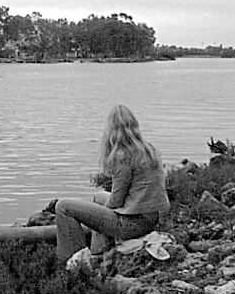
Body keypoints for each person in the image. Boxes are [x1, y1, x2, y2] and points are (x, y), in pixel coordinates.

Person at [55, 105, 170, 264]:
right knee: (99, 196)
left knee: (63, 207)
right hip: (150, 219)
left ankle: (73, 262)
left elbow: (116, 202)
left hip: (132, 225)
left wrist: (96, 218)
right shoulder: (149, 149)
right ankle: (98, 253)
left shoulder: (122, 156)